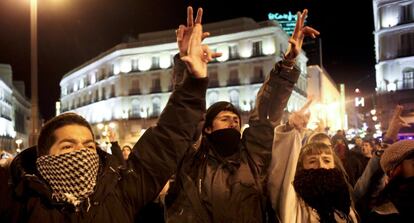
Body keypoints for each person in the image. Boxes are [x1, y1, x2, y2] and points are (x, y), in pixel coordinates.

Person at [0, 9, 219, 221]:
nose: (81, 153)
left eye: (88, 146)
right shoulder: (18, 202)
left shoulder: (120, 192)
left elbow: (166, 139)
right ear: (44, 157)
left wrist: (193, 81)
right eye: (68, 146)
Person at [164, 7, 319, 222]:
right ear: (207, 128)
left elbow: (265, 116)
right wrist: (185, 62)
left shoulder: (252, 159)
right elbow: (184, 116)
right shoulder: (191, 159)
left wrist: (288, 64)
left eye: (236, 120)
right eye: (225, 119)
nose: (233, 123)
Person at [268, 100, 359, 222]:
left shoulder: (344, 202)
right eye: (312, 161)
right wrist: (290, 129)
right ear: (302, 167)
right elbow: (283, 169)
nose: (321, 165)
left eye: (326, 160)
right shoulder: (294, 203)